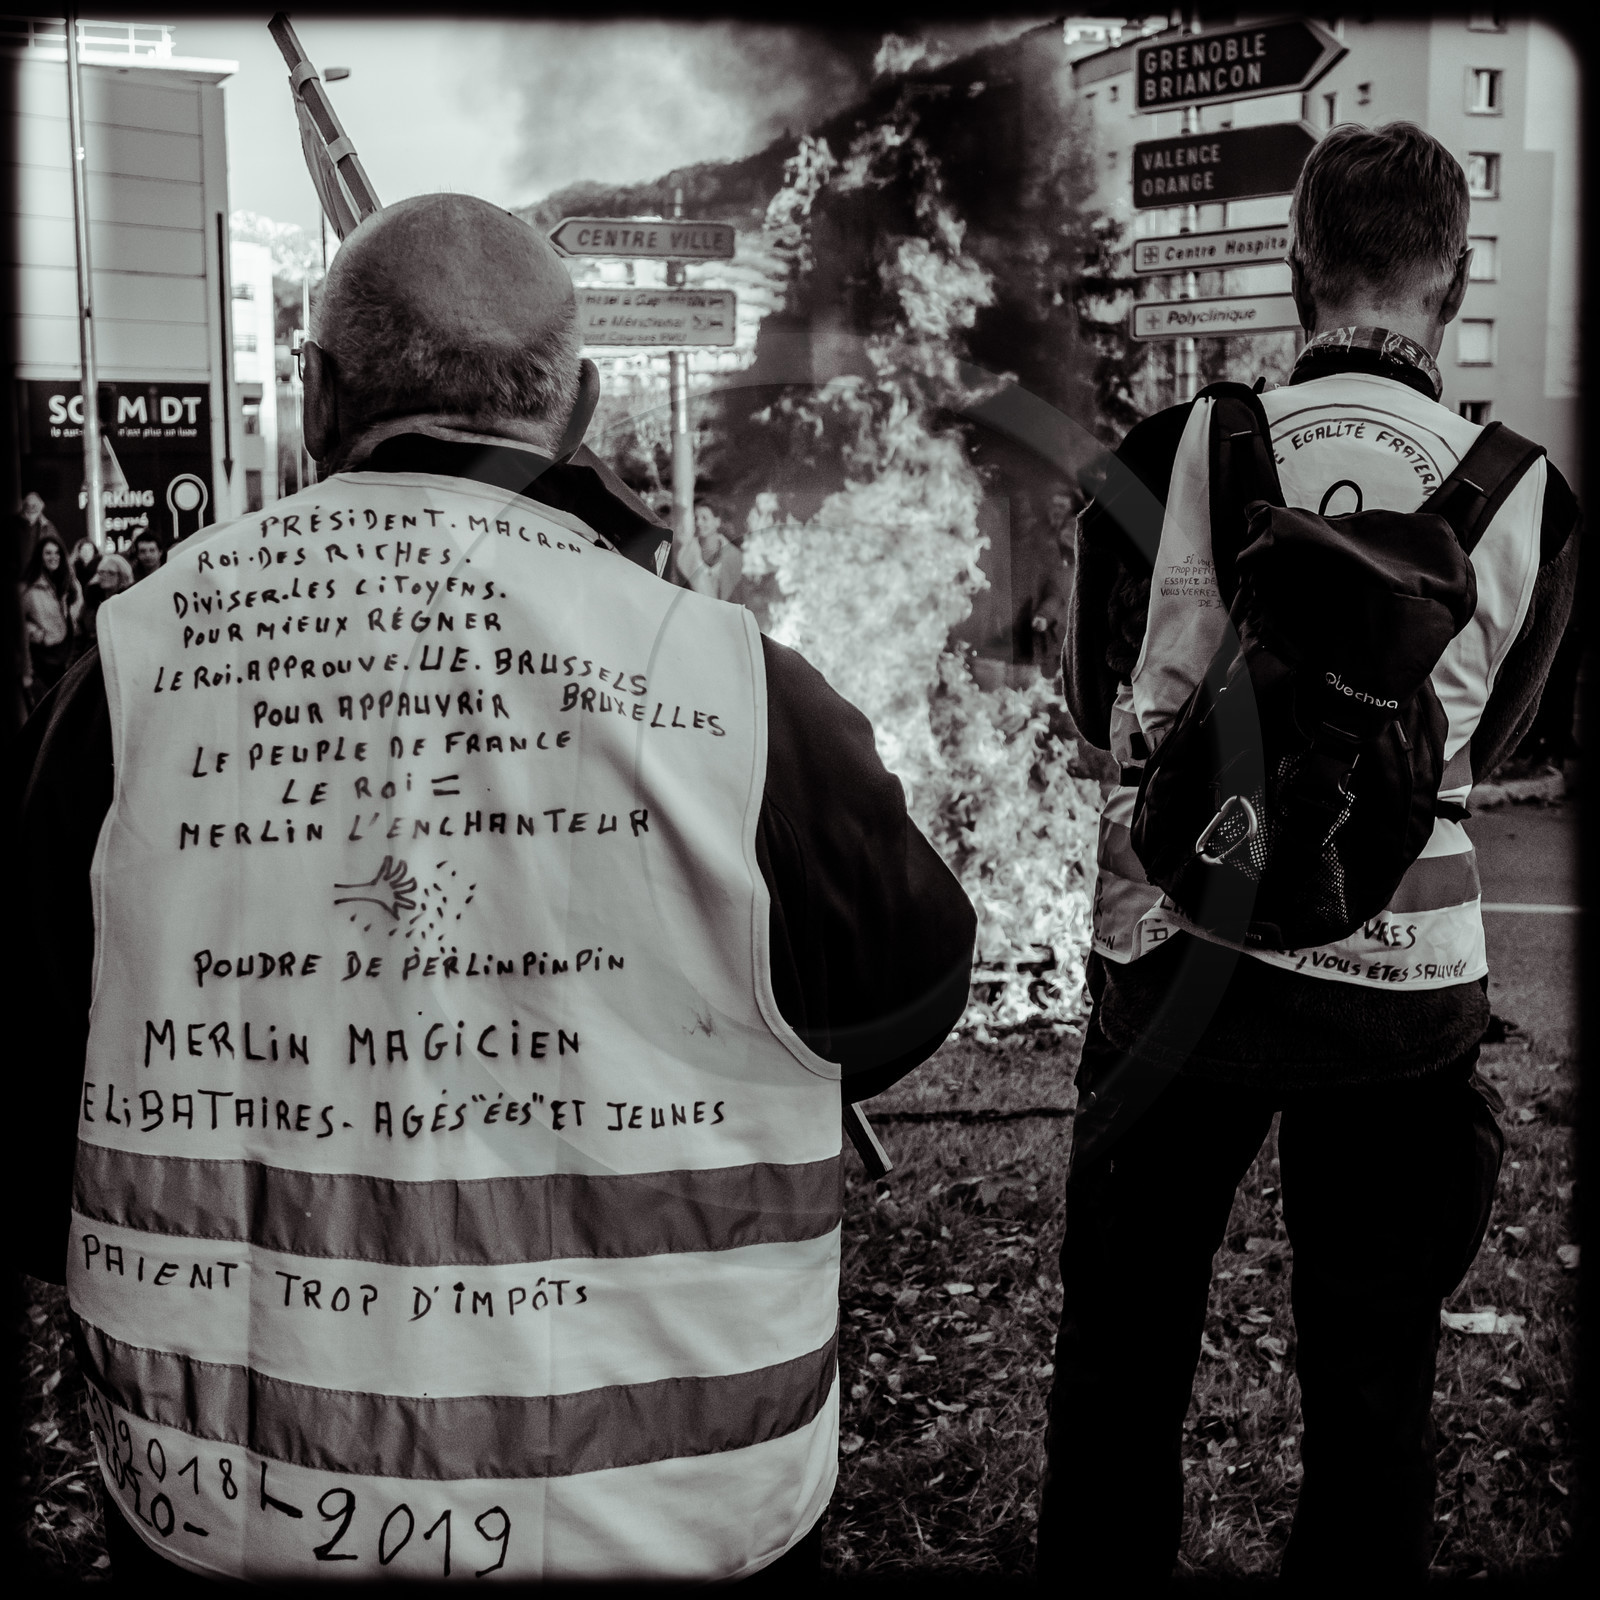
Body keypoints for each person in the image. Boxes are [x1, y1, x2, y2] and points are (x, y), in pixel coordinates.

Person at [17, 193, 975, 1586]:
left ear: (320, 394)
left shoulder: (126, 669)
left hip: (231, 1508)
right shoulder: (726, 682)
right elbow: (901, 999)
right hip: (670, 1505)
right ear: (578, 408)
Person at [1039, 122, 1580, 1586]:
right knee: (1373, 1381)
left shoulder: (1169, 450)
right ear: (1454, 284)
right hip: (1404, 987)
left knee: (1120, 1361)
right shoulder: (1529, 490)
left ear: (1295, 269)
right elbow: (1511, 736)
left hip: (1175, 971)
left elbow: (1096, 706)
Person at [19, 530, 83, 708]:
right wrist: (37, 634)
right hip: (44, 659)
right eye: (48, 553)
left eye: (56, 552)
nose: (53, 557)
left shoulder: (70, 582)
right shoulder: (30, 587)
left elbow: (78, 611)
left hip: (70, 653)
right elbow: (17, 624)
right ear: (40, 555)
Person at [676, 499, 745, 601]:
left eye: (704, 518)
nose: (698, 523)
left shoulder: (735, 556)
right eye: (696, 518)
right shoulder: (684, 555)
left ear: (717, 522)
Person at [75, 549, 133, 657]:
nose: (104, 575)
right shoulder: (91, 600)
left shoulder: (128, 602)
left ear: (121, 576)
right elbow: (80, 633)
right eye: (101, 572)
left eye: (111, 572)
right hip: (91, 659)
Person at [14, 488, 58, 576]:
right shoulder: (13, 526)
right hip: (18, 575)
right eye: (28, 506)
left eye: (35, 506)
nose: (31, 509)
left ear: (41, 508)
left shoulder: (48, 527)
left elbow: (57, 549)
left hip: (41, 573)